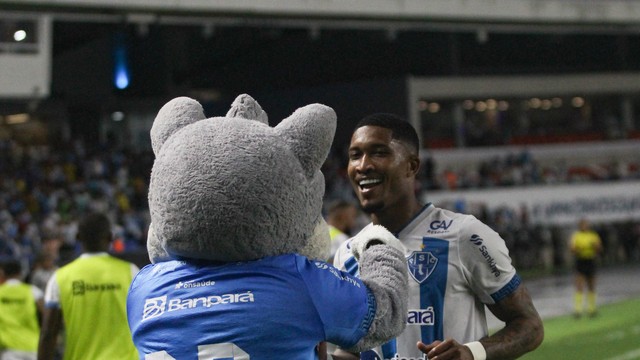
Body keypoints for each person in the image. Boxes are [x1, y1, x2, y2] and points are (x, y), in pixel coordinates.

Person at [332, 113, 543, 360]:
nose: (363, 165)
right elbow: (351, 348)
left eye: (379, 152)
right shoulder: (347, 253)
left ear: (412, 166)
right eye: (355, 155)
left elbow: (530, 326)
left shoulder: (465, 234)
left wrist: (471, 353)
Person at [37, 213, 139, 360]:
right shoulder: (131, 272)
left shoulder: (60, 277)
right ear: (110, 237)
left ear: (78, 237)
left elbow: (48, 333)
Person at [0, 259, 44, 360]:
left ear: (3, 273)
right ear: (20, 273)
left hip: (8, 348)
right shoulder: (33, 291)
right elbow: (48, 316)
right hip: (32, 346)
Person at [569, 218, 602, 317]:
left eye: (586, 224)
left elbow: (599, 248)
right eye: (583, 225)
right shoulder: (576, 236)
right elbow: (572, 248)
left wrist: (594, 247)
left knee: (591, 284)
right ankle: (578, 309)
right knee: (579, 285)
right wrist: (581, 248)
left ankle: (591, 308)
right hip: (581, 261)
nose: (585, 226)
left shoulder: (593, 235)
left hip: (590, 260)